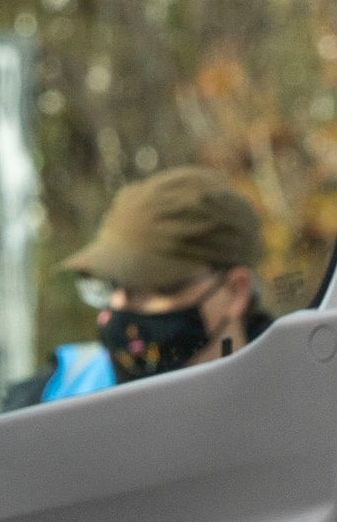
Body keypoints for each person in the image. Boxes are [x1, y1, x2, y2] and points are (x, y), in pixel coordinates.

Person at [23, 165, 273, 401]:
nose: (119, 304)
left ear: (235, 291)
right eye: (111, 285)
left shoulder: (296, 395)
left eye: (154, 286)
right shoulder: (57, 392)